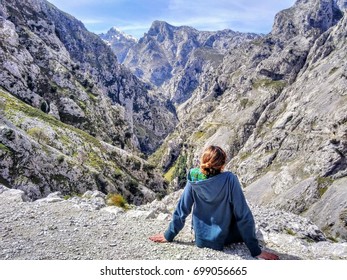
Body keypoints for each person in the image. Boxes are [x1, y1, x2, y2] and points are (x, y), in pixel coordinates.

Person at [149, 145, 279, 260]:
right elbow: (243, 214)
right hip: (225, 237)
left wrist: (169, 235)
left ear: (203, 161)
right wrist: (255, 251)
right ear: (222, 165)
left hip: (201, 239)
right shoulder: (229, 179)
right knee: (248, 223)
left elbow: (182, 209)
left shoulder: (194, 177)